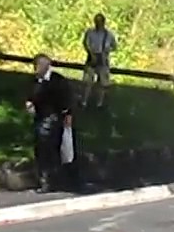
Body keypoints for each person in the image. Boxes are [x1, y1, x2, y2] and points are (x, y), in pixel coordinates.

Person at [26, 53, 76, 193]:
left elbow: (68, 99)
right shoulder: (36, 81)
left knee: (50, 148)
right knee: (42, 149)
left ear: (46, 65)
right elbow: (31, 96)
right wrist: (29, 103)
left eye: (38, 65)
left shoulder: (58, 81)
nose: (36, 69)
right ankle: (47, 180)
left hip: (54, 118)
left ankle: (51, 180)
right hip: (40, 118)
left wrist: (68, 114)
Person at [81, 13, 117, 108]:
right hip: (91, 56)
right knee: (88, 81)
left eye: (100, 21)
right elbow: (85, 43)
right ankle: (84, 101)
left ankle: (99, 103)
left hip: (103, 58)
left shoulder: (109, 35)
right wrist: (91, 53)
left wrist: (107, 51)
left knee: (102, 83)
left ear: (103, 22)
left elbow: (114, 46)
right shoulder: (90, 32)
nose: (98, 23)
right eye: (96, 21)